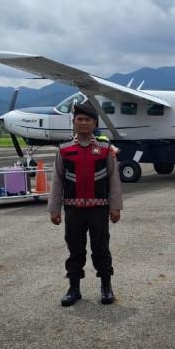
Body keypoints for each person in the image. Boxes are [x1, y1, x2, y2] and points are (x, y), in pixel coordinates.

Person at [49, 102, 123, 307]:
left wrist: (115, 206)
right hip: (73, 210)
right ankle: (74, 289)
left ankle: (106, 287)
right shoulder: (64, 150)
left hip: (99, 209)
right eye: (79, 119)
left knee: (101, 248)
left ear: (94, 123)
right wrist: (54, 208)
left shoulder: (105, 149)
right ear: (73, 122)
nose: (83, 123)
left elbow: (113, 179)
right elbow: (57, 181)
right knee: (75, 249)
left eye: (87, 119)